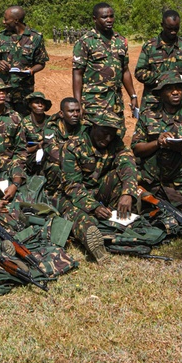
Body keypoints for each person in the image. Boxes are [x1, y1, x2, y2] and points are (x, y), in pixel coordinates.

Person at [132, 72, 182, 223]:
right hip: (153, 185)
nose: (175, 92)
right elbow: (137, 148)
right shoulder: (147, 116)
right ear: (161, 93)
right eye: (170, 89)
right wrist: (157, 143)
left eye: (179, 88)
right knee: (142, 222)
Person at [59, 111, 139, 262]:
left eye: (112, 134)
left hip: (100, 190)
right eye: (104, 132)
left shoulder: (115, 142)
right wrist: (94, 207)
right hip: (73, 195)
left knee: (120, 179)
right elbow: (72, 186)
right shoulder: (72, 147)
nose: (108, 138)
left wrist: (127, 193)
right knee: (74, 211)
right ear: (93, 127)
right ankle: (92, 237)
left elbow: (128, 164)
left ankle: (119, 224)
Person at [72, 2, 136, 126]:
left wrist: (133, 95)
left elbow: (125, 71)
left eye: (111, 16)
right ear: (95, 19)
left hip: (115, 102)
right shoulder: (85, 42)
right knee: (91, 136)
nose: (109, 20)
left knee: (117, 134)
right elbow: (77, 74)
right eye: (105, 17)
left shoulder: (121, 41)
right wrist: (77, 103)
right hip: (92, 102)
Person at [134, 9, 182, 109]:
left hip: (181, 103)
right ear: (162, 25)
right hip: (154, 103)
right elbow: (139, 72)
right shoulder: (150, 47)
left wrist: (181, 87)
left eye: (176, 28)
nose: (173, 32)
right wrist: (160, 78)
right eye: (169, 28)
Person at [0, 6, 49, 116]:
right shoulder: (2, 36)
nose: (3, 22)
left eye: (6, 19)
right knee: (3, 119)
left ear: (16, 20)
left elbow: (41, 63)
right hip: (4, 89)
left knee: (23, 120)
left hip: (24, 91)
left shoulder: (35, 37)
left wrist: (31, 71)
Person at [42, 97, 83, 194]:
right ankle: (52, 193)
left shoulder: (84, 126)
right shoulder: (52, 127)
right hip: (63, 163)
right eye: (71, 111)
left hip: (80, 162)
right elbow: (52, 152)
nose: (76, 114)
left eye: (78, 111)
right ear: (61, 114)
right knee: (54, 166)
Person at [19, 91, 52, 174]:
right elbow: (20, 149)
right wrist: (37, 147)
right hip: (31, 158)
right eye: (36, 103)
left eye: (42, 103)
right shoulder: (24, 123)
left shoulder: (51, 121)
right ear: (30, 105)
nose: (40, 105)